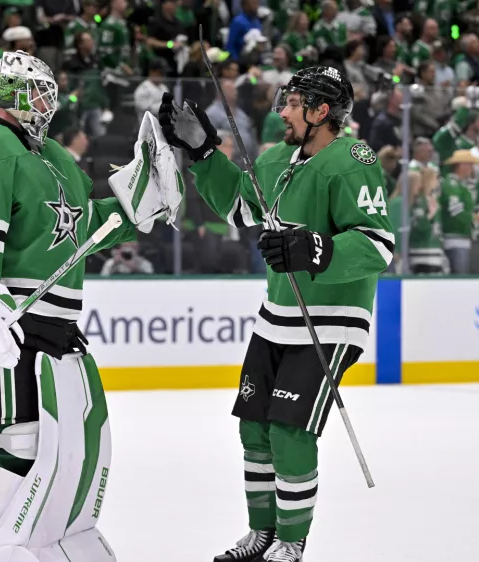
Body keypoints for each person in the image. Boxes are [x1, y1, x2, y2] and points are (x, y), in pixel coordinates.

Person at [158, 66, 393, 562]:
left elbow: (377, 244)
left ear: (320, 111)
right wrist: (202, 152)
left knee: (289, 430)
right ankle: (261, 534)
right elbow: (240, 206)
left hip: (330, 321)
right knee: (254, 426)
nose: (281, 111)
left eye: (291, 103)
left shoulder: (353, 160)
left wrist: (316, 249)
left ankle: (290, 540)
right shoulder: (277, 161)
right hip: (277, 317)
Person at [0, 51, 160, 562]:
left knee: (59, 449)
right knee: (17, 437)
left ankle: (41, 542)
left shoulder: (52, 155)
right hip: (11, 323)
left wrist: (138, 204)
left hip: (56, 324)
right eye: (35, 91)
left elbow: (78, 228)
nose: (46, 101)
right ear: (8, 95)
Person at [439, 150, 479, 274]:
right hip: (454, 239)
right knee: (459, 276)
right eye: (470, 164)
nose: (472, 168)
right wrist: (473, 218)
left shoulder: (462, 185)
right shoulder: (452, 185)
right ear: (462, 165)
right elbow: (455, 210)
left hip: (463, 238)